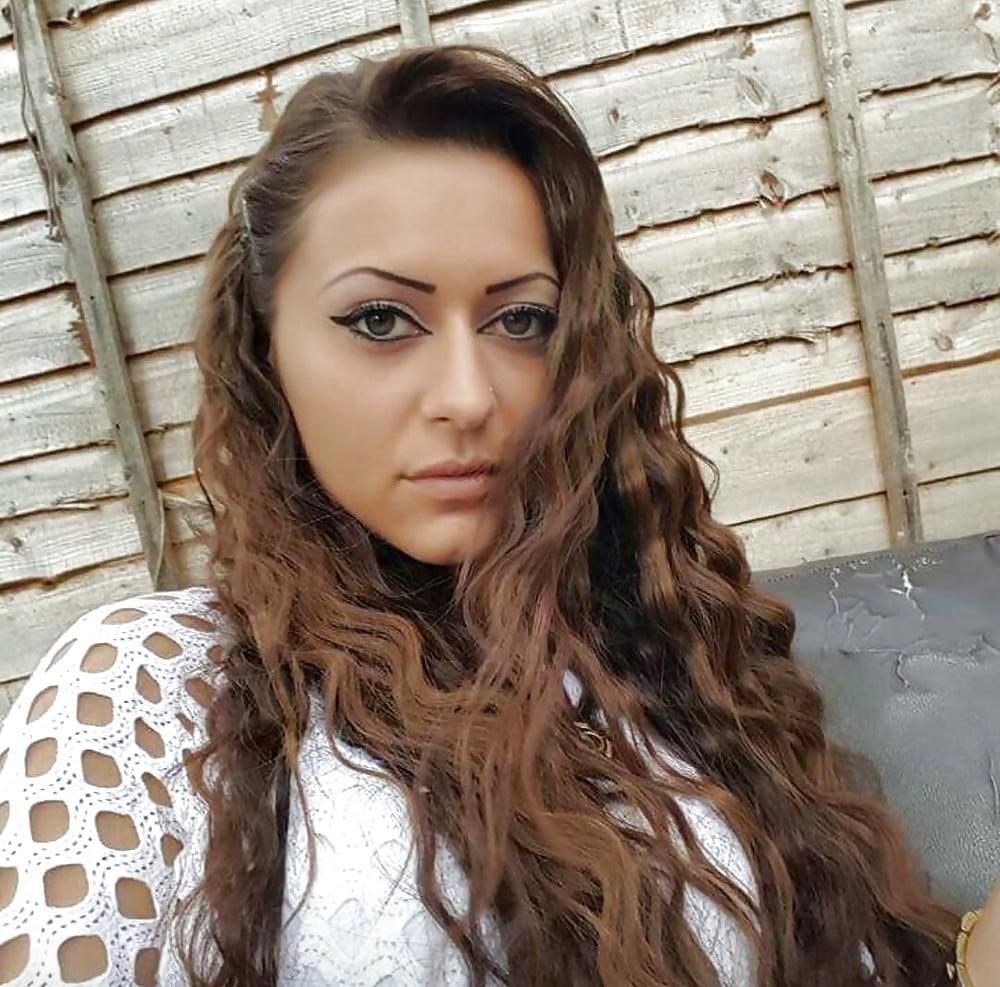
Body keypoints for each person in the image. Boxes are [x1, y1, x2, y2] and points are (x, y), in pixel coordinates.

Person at [0, 42, 996, 987]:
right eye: (380, 320)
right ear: (268, 350)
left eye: (522, 320)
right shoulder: (154, 689)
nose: (469, 396)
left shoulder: (662, 642)